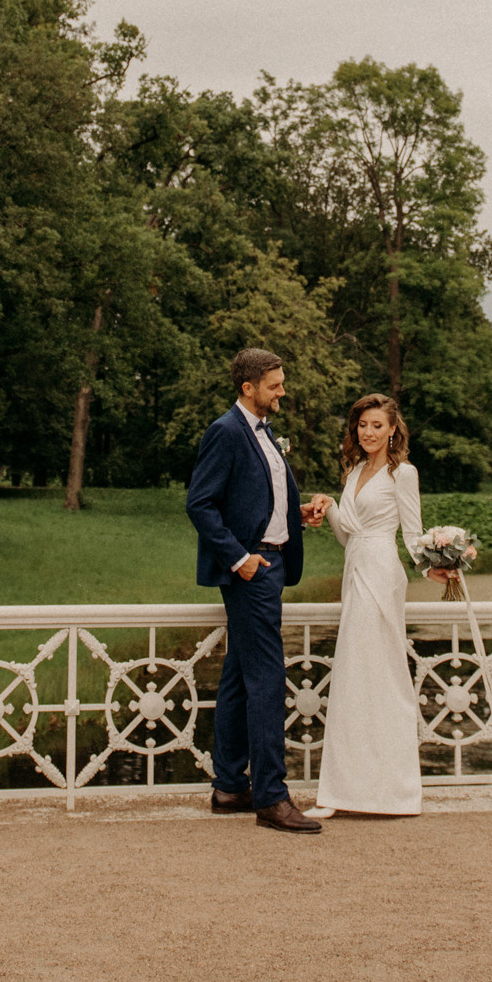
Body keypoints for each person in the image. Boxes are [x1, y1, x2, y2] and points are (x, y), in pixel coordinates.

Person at [186, 347, 321, 834]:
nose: (282, 390)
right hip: (253, 571)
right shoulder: (225, 431)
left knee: (240, 676)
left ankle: (228, 786)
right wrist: (241, 560)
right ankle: (271, 797)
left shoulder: (263, 433)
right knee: (266, 680)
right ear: (248, 388)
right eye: (275, 384)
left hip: (272, 560)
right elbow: (200, 504)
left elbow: (260, 494)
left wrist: (295, 516)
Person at [303, 392, 446, 818]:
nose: (368, 432)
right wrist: (328, 507)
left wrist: (433, 566)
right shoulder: (354, 472)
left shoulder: (403, 473)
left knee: (380, 677)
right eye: (363, 425)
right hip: (355, 567)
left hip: (381, 573)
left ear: (392, 430)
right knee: (352, 677)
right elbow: (349, 534)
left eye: (377, 426)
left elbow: (412, 532)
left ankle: (394, 794)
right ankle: (341, 793)